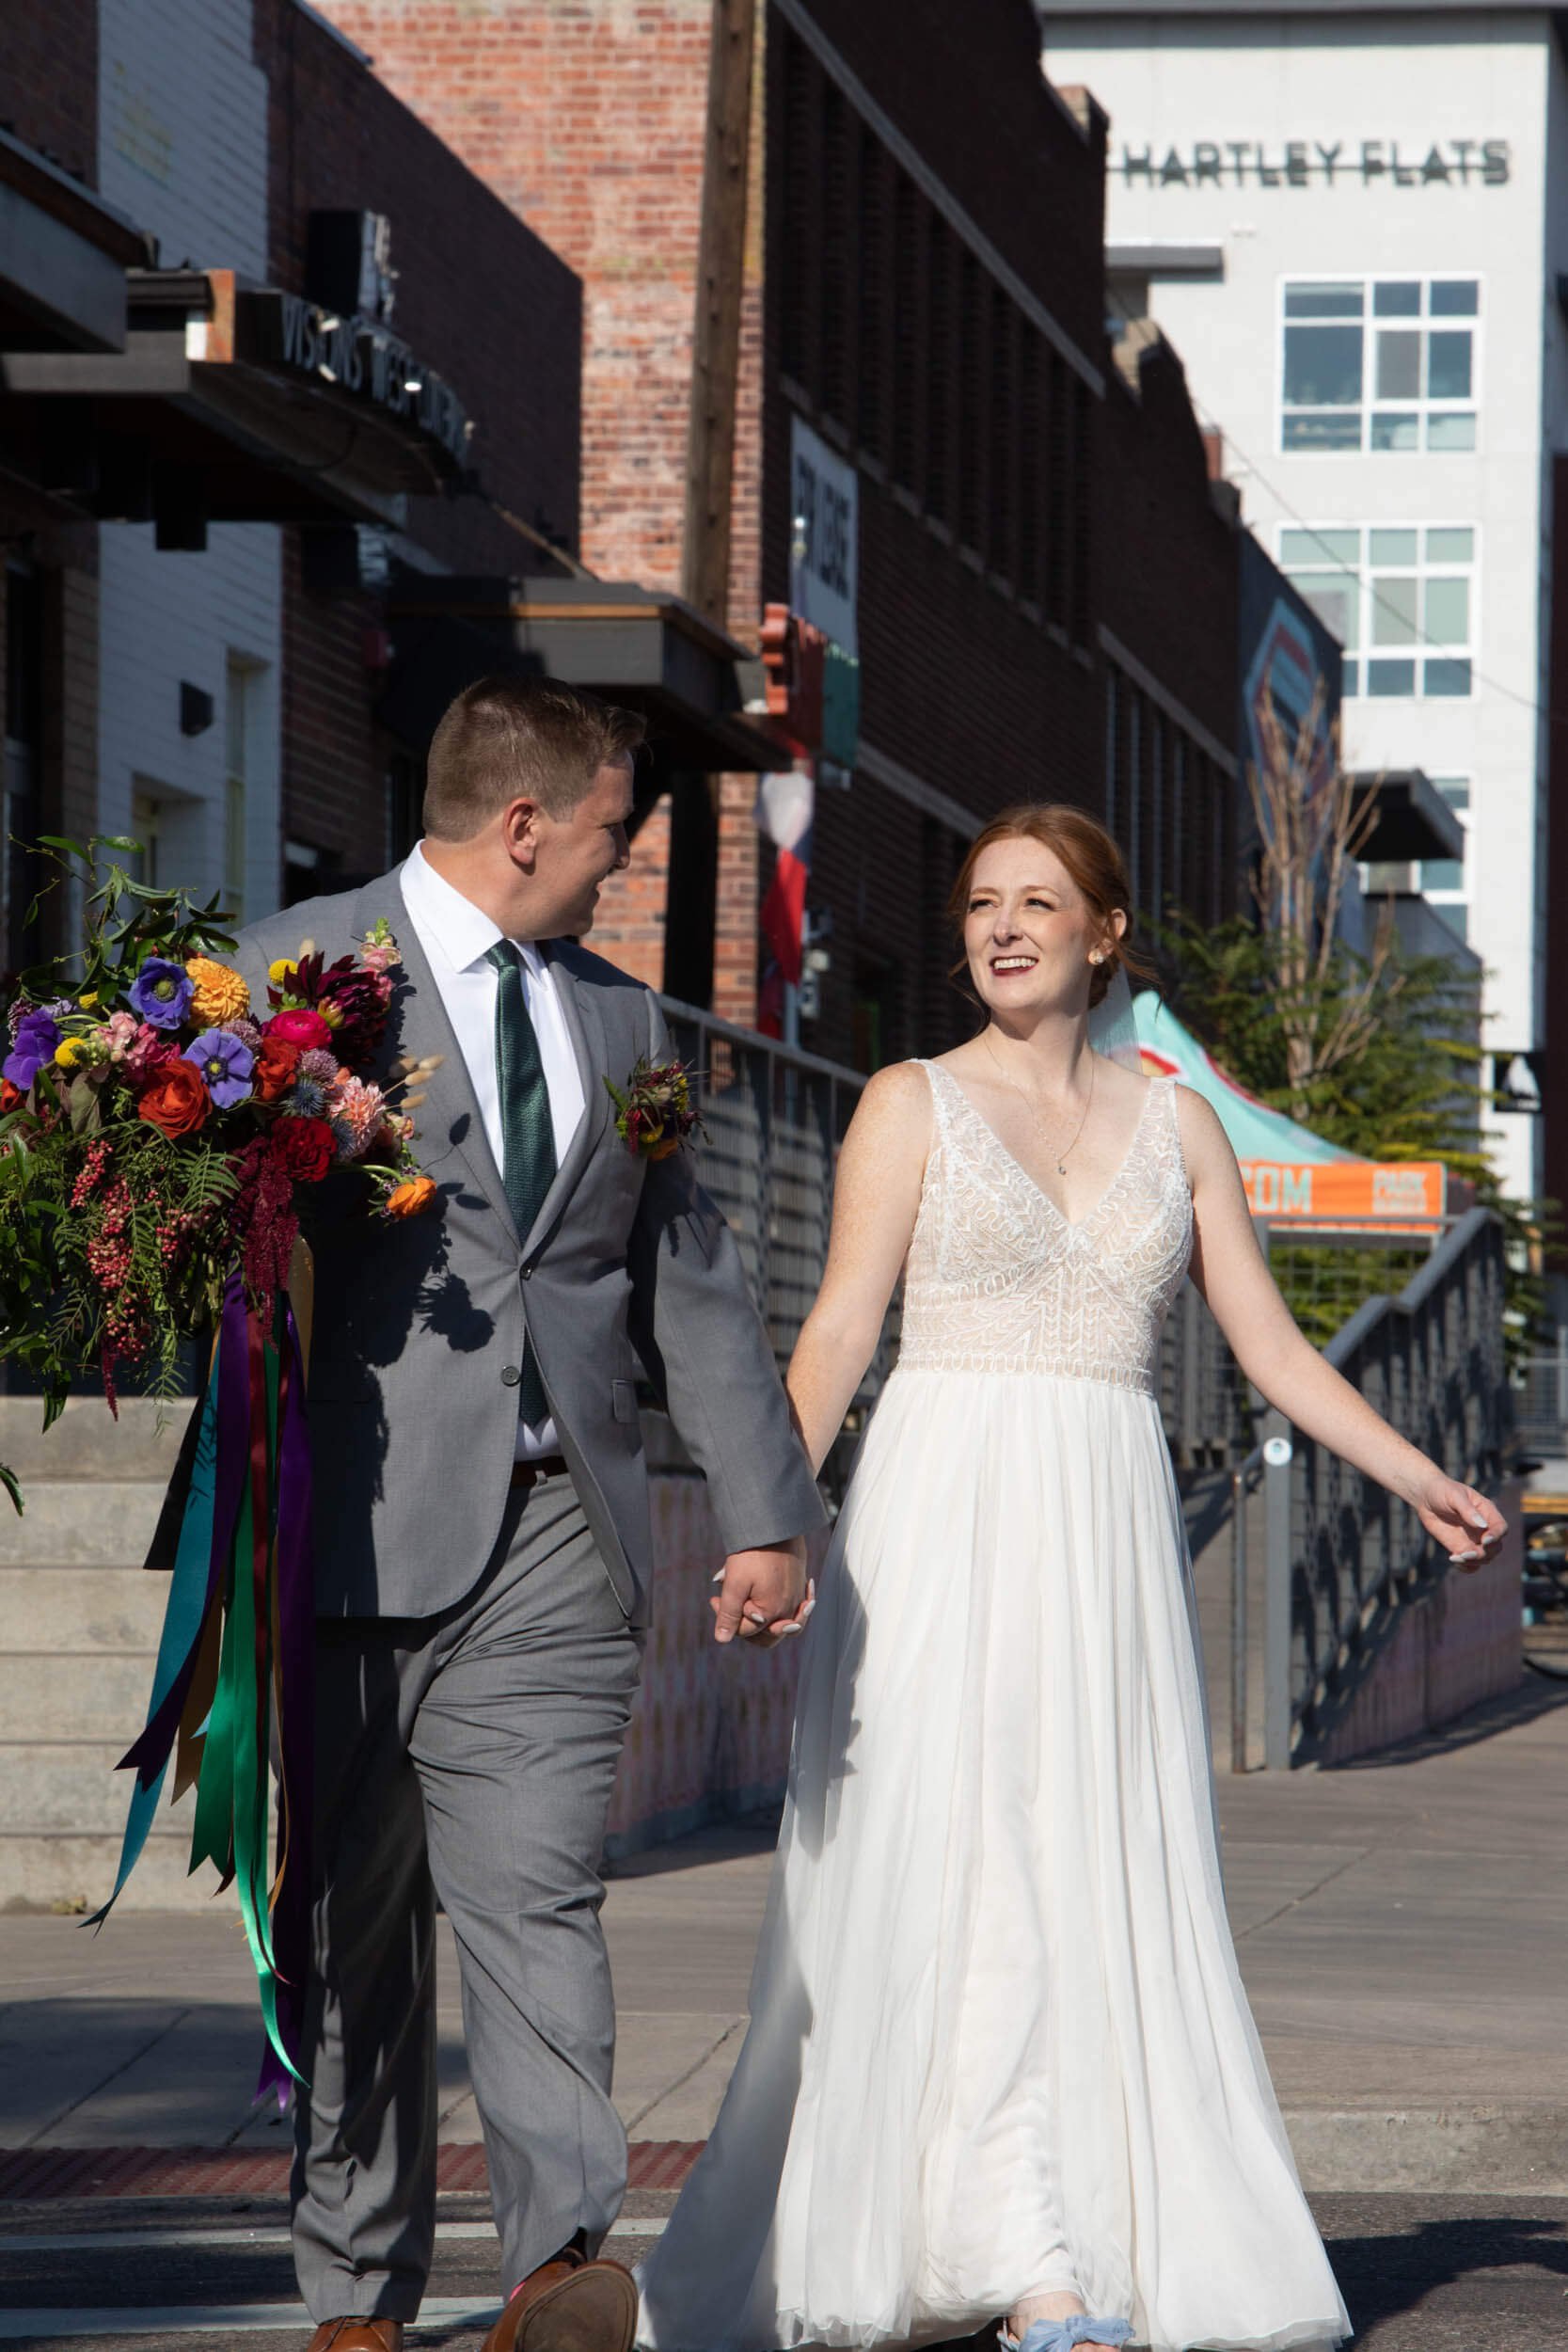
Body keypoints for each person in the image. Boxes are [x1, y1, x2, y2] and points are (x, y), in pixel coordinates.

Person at [635, 804, 1507, 2352]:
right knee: (959, 1870)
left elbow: (1274, 1349)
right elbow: (837, 1331)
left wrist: (1416, 1474)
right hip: (940, 1516)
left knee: (1078, 1872)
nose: (1002, 927)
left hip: (1103, 1532)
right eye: (980, 904)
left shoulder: (1178, 1123)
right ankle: (1025, 2260)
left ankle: (1068, 2238)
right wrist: (771, 1525)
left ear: (1107, 933)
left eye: (1040, 903)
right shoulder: (906, 1103)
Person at [231, 675, 824, 2352]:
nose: (618, 871)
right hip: (345, 1535)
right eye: (613, 837)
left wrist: (769, 1514)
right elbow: (190, 1229)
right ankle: (358, 2297)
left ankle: (562, 2267)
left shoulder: (631, 1028)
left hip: (562, 1532)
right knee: (353, 1935)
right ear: (524, 825)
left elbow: (685, 1273)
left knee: (541, 1897)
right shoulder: (287, 975)